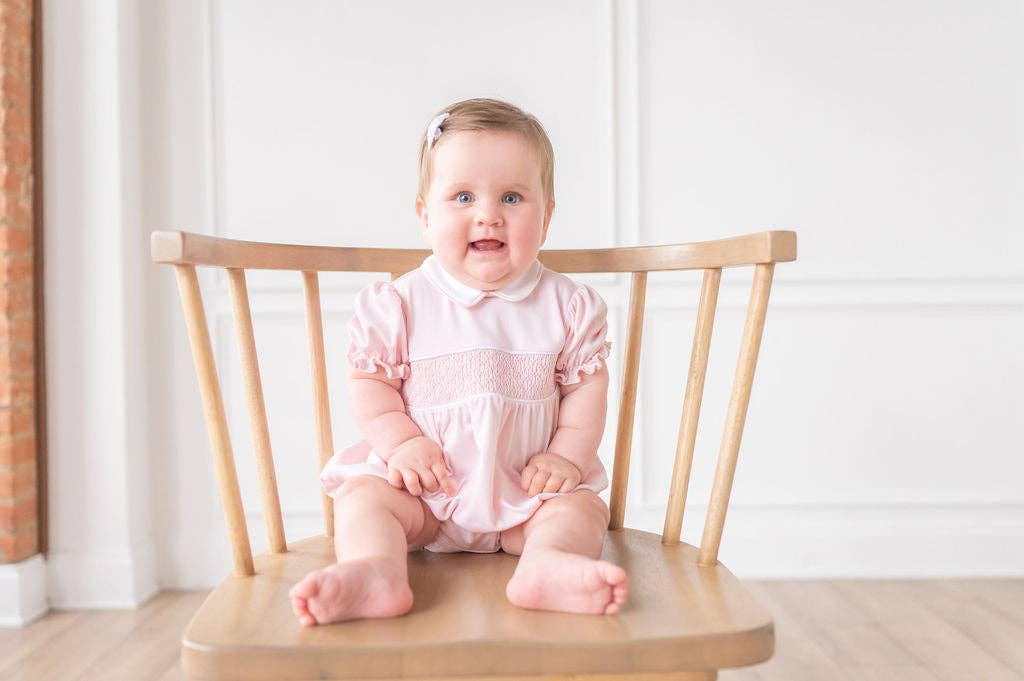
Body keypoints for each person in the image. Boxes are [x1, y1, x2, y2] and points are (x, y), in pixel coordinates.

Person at [289, 98, 628, 626]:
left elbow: (587, 393)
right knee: (362, 498)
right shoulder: (399, 304)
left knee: (581, 509)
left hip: (526, 493)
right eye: (463, 196)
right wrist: (402, 444)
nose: (488, 213)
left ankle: (547, 564)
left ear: (548, 217)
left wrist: (566, 456)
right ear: (426, 215)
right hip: (423, 496)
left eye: (512, 197)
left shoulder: (568, 306)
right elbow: (370, 384)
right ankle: (376, 571)